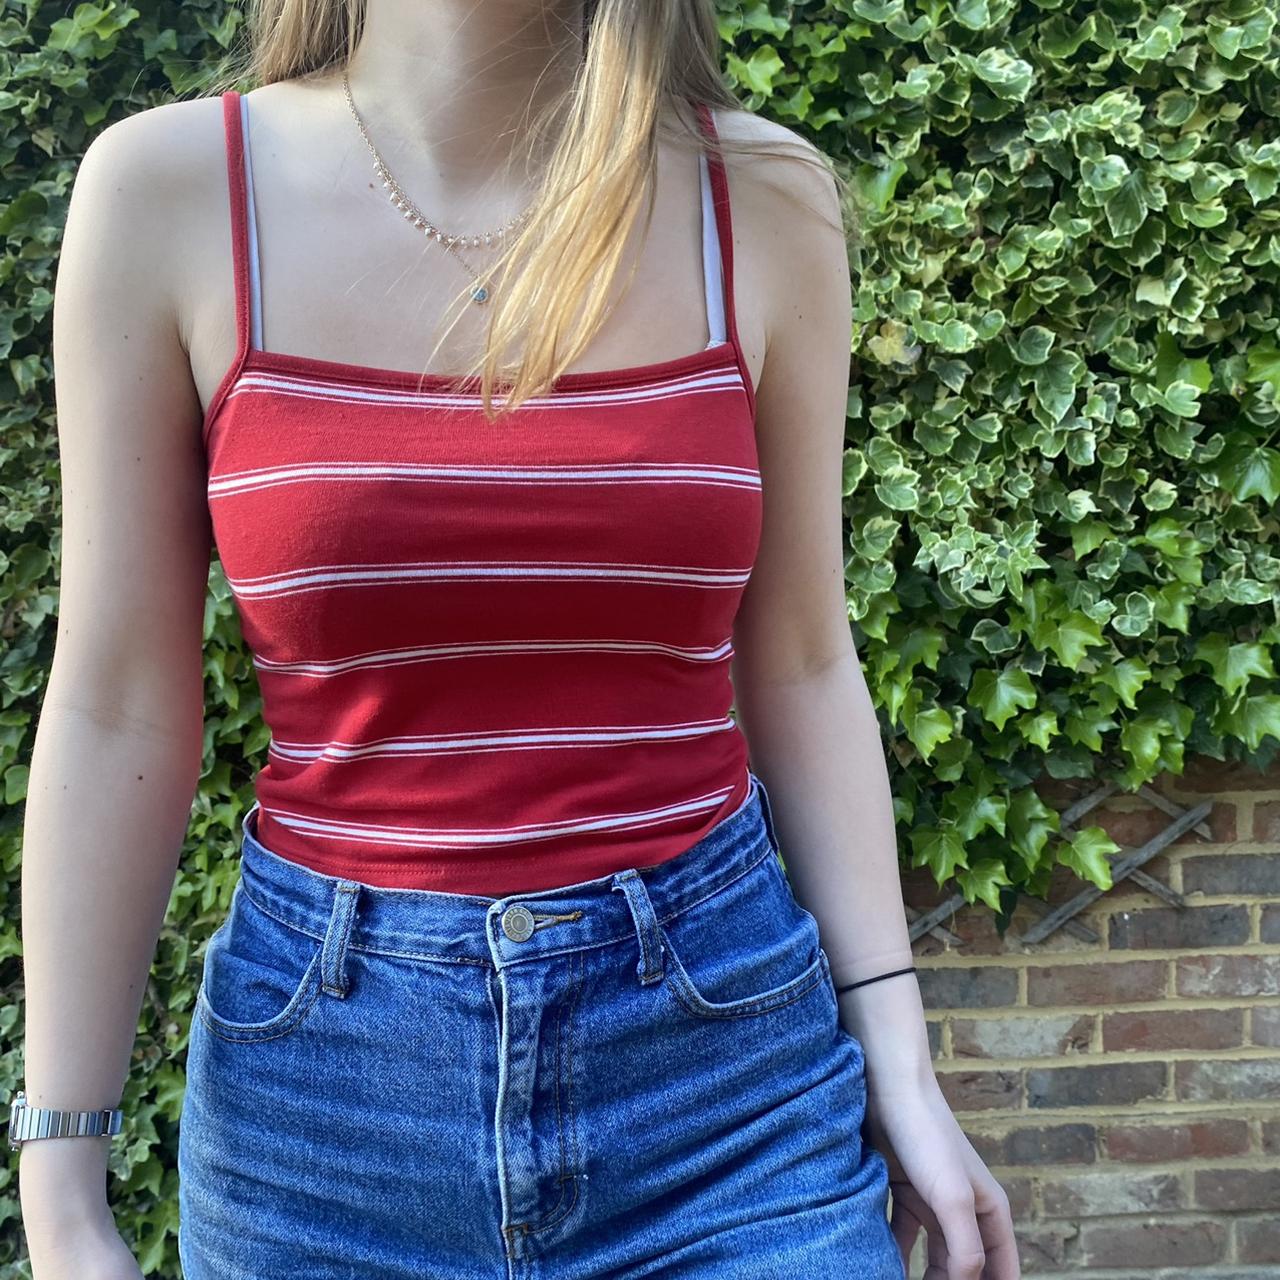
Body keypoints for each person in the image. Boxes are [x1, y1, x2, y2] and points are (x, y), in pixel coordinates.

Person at [14, 1, 1019, 1277]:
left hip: (726, 1105)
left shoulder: (761, 197)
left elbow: (804, 660)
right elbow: (117, 699)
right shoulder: (169, 192)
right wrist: (62, 1187)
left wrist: (900, 1062)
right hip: (322, 1128)